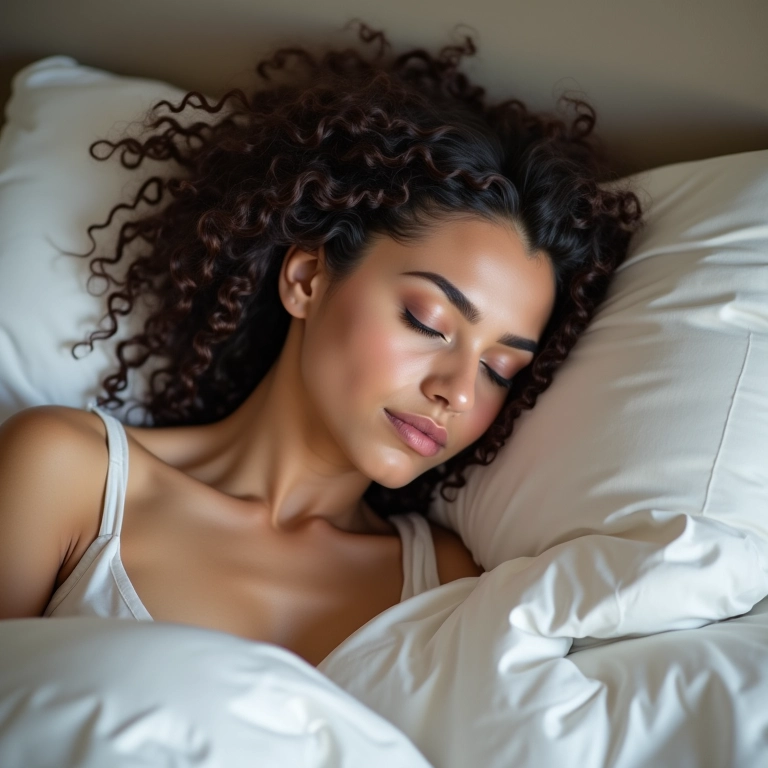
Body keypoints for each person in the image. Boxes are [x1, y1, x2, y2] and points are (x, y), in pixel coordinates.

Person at [0, 22, 643, 667]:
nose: (458, 390)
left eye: (500, 369)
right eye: (427, 320)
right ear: (306, 279)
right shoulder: (69, 476)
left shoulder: (449, 584)